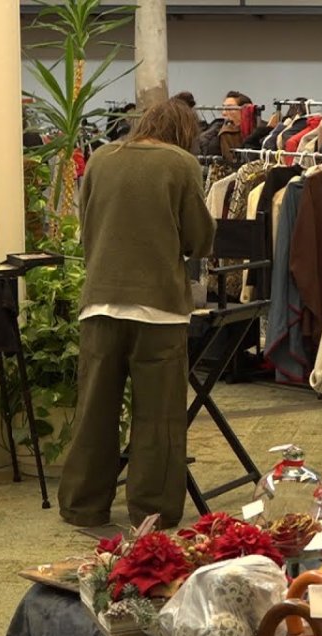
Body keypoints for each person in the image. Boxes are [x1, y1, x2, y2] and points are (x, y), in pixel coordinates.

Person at [58, 99, 216, 529]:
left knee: (95, 409)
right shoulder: (181, 165)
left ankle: (82, 504)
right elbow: (199, 239)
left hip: (101, 302)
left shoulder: (101, 159)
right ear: (185, 131)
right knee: (158, 418)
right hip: (159, 310)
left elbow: (87, 227)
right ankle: (152, 510)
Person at [199, 89, 253, 160]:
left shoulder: (260, 131)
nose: (223, 113)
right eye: (223, 108)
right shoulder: (217, 133)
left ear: (246, 111)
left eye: (230, 108)